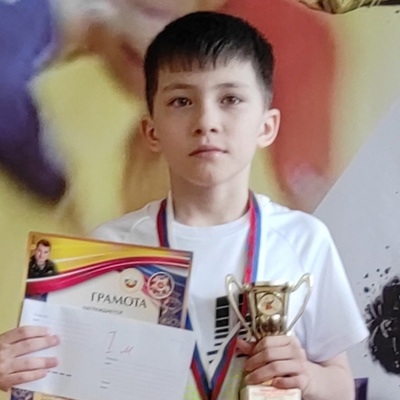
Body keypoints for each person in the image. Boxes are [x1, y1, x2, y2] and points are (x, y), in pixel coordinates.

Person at [0, 11, 368, 399]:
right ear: (152, 130)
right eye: (181, 101)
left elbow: (342, 386)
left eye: (230, 99)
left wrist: (307, 377)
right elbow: (64, 385)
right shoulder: (108, 246)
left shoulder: (304, 239)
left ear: (266, 126)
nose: (206, 120)